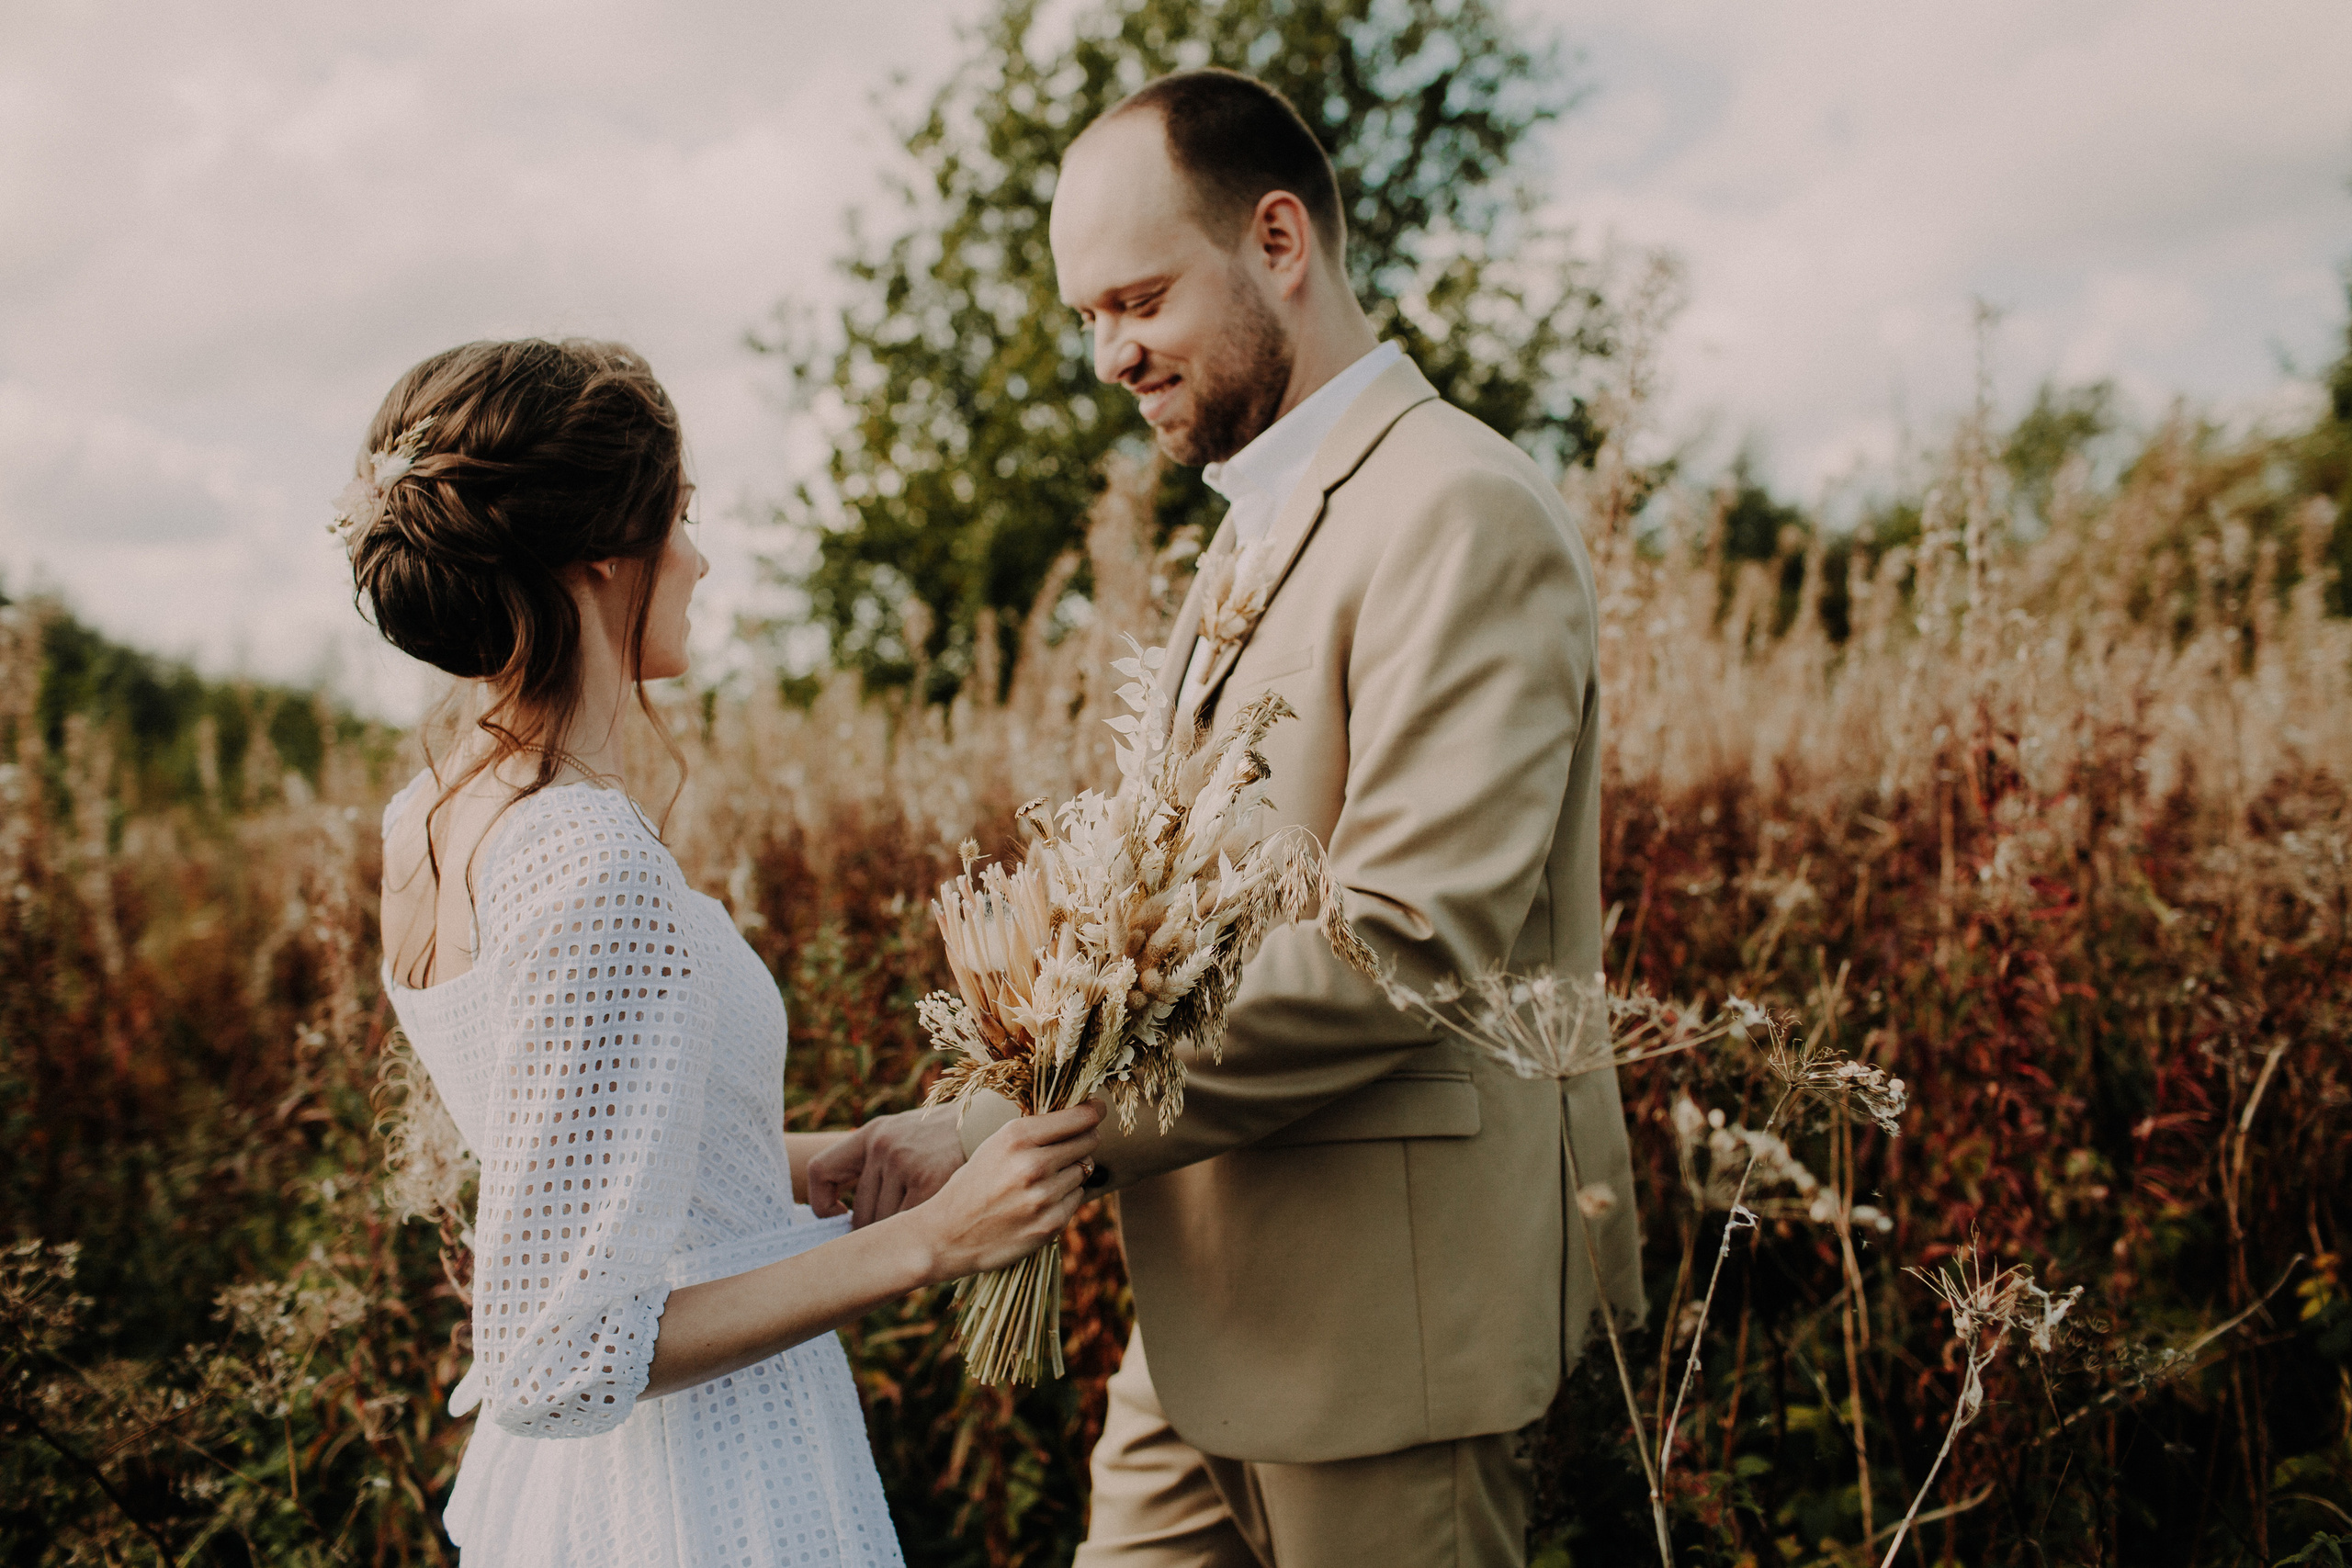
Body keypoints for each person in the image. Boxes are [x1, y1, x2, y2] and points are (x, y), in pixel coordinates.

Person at [808, 69, 1647, 1567]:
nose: (1111, 356)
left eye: (1139, 301)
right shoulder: (1252, 530)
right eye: (1089, 318)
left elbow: (1402, 944)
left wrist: (1022, 1130)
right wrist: (980, 1101)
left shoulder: (1457, 509)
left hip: (1387, 1323)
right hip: (1202, 1311)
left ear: (1278, 241)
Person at [352, 338, 1102, 1568]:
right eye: (682, 517)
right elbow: (552, 1356)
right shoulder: (588, 857)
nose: (698, 560)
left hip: (587, 1497)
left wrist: (811, 1160)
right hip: (703, 1486)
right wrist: (932, 1243)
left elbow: (578, 1157)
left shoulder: (431, 820)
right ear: (605, 551)